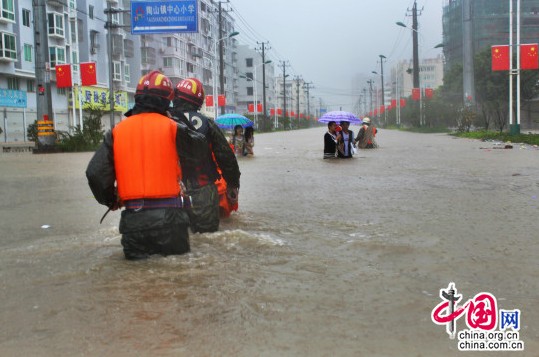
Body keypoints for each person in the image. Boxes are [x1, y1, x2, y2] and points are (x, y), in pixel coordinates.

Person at [85, 70, 208, 260]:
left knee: (136, 282)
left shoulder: (117, 132)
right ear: (168, 101)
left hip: (134, 222)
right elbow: (200, 150)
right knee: (179, 281)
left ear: (138, 99)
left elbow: (95, 173)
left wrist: (110, 199)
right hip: (171, 220)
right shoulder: (174, 127)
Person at [170, 77, 241, 232]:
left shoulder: (162, 121)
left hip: (169, 193)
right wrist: (233, 184)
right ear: (198, 101)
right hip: (203, 193)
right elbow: (226, 158)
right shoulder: (207, 124)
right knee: (207, 239)